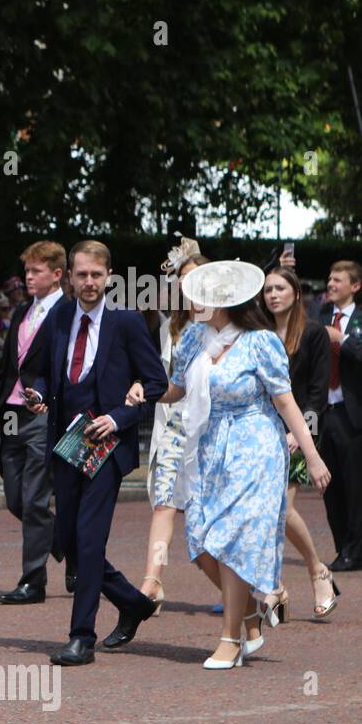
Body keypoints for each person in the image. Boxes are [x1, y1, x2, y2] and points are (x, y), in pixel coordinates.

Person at [159, 261, 330, 668]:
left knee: (232, 540)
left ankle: (230, 640)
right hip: (209, 445)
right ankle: (252, 612)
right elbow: (176, 389)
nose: (191, 302)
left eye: (197, 295)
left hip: (255, 447)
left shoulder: (259, 342)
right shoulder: (193, 339)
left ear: (220, 300)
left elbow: (285, 402)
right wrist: (140, 389)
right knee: (200, 541)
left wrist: (311, 453)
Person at [24, 240, 168, 665]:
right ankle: (134, 602)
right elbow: (35, 368)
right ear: (69, 276)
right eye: (81, 274)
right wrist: (38, 393)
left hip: (107, 447)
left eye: (96, 275)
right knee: (68, 539)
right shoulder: (59, 316)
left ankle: (80, 637)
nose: (89, 282)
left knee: (89, 539)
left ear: (109, 276)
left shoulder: (126, 321)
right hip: (67, 445)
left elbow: (156, 381)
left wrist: (123, 414)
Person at [0, 241, 68, 604]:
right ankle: (70, 544)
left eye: (36, 271)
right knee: (15, 497)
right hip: (9, 415)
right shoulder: (24, 310)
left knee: (36, 498)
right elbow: (6, 368)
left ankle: (33, 581)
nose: (28, 277)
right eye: (27, 270)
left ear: (56, 275)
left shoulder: (68, 312)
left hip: (42, 415)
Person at [131, 243, 209, 613]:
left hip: (213, 436)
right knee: (164, 506)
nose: (188, 288)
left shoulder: (233, 328)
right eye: (182, 281)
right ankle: (153, 581)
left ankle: (263, 586)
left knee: (208, 521)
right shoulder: (171, 328)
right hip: (173, 432)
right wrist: (142, 389)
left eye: (195, 280)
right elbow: (162, 381)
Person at [263, 265, 338, 618]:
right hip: (263, 431)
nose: (273, 295)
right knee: (268, 512)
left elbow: (316, 393)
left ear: (295, 293)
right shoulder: (259, 334)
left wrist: (300, 433)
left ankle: (315, 571)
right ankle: (275, 587)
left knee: (280, 507)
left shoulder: (312, 334)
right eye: (267, 290)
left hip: (301, 429)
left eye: (279, 288)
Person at [317, 260, 362, 571]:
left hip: (353, 414)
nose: (331, 284)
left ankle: (354, 550)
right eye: (329, 279)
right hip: (324, 412)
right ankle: (343, 546)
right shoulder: (319, 317)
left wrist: (342, 340)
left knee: (355, 485)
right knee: (330, 486)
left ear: (354, 286)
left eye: (337, 280)